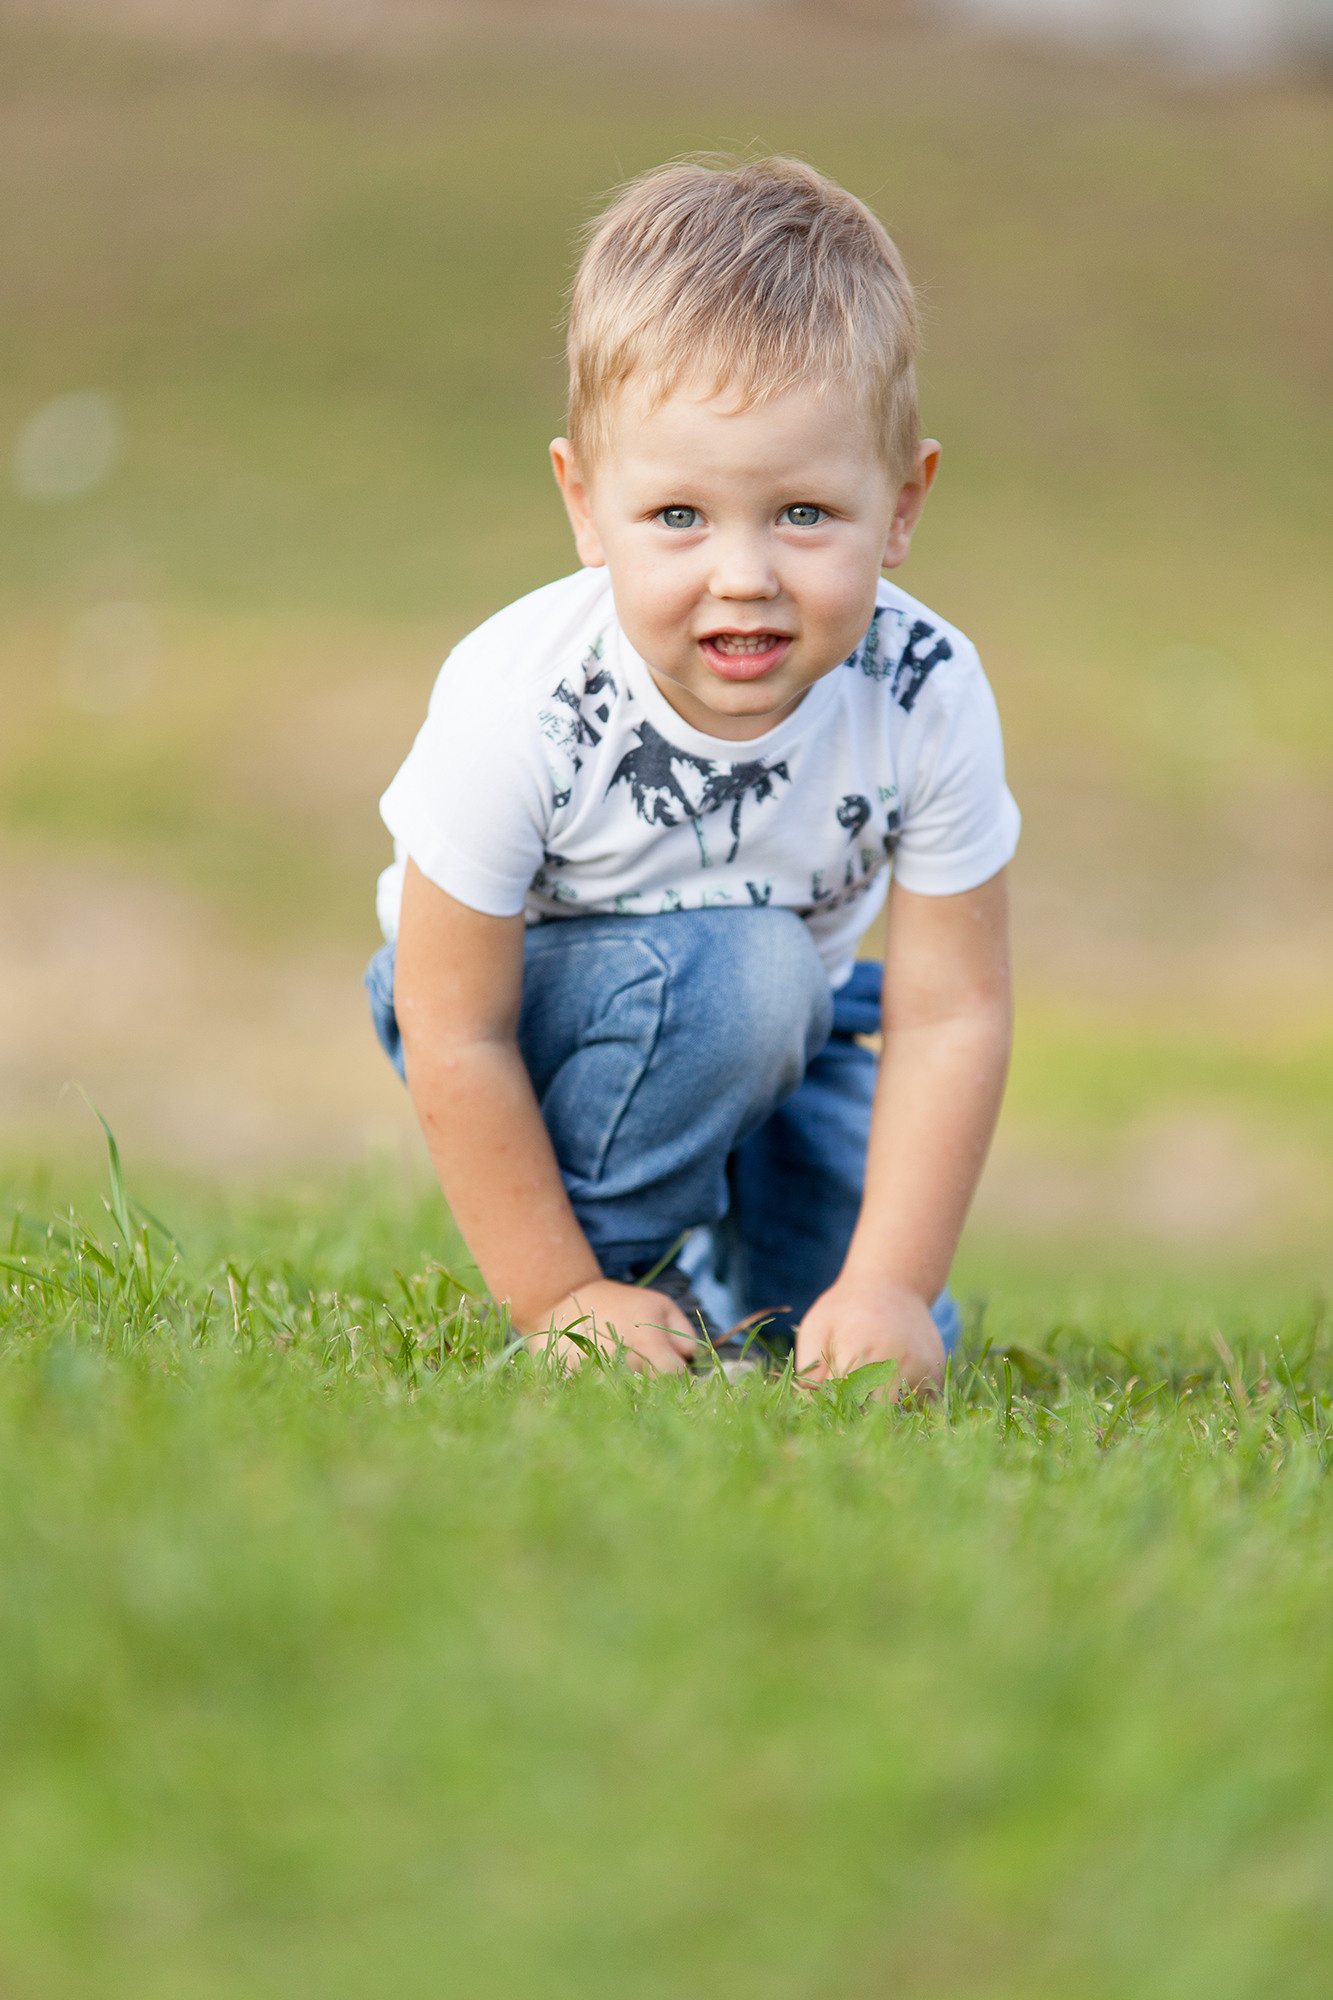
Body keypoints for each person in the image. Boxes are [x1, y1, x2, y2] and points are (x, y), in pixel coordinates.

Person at [364, 157, 1018, 1388]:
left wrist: (887, 1285)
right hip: (528, 1015)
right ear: (584, 503)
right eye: (677, 515)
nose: (743, 573)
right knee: (750, 975)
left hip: (792, 1025)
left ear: (902, 504)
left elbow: (951, 1010)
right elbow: (455, 1021)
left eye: (804, 513)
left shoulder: (927, 687)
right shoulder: (520, 701)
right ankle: (616, 1270)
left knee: (843, 1317)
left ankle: (731, 1273)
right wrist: (560, 1289)